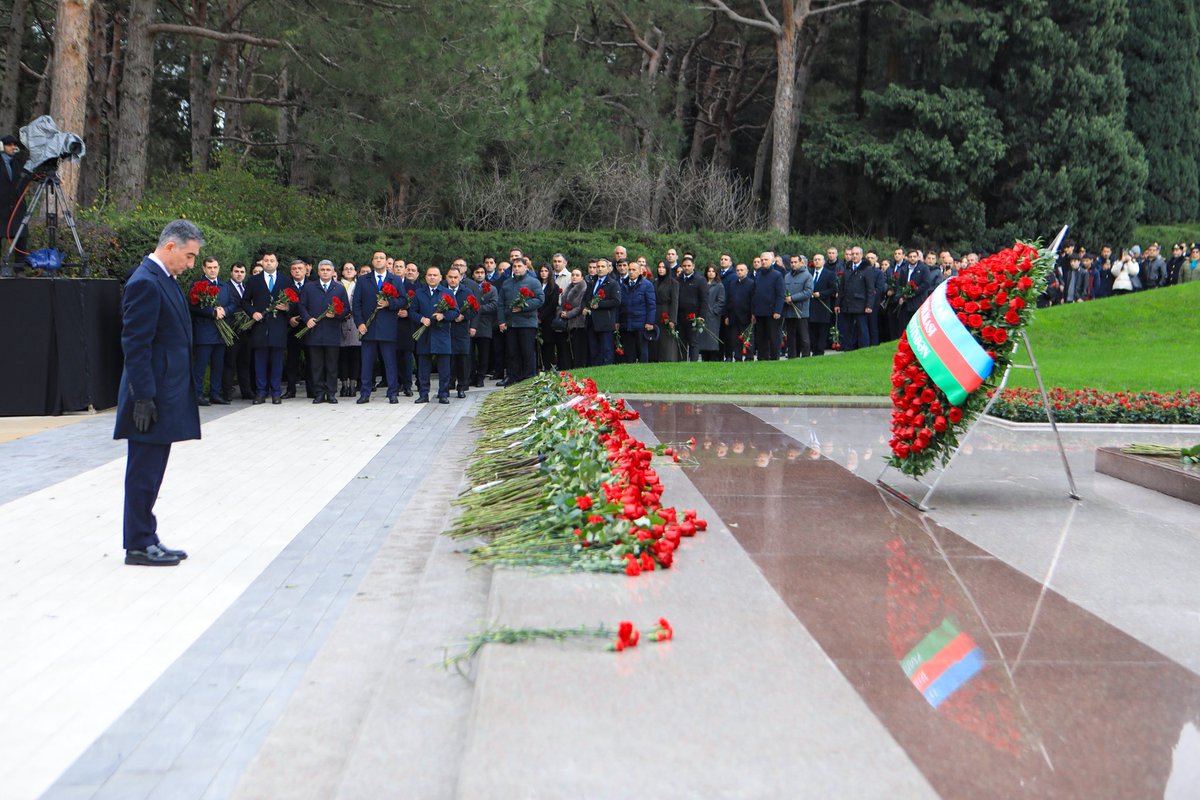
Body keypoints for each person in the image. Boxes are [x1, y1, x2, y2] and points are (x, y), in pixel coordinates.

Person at [113, 220, 204, 566]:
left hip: (162, 393)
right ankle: (137, 543)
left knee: (152, 471)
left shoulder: (163, 279)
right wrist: (144, 397)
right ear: (170, 247)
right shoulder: (145, 283)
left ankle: (147, 535)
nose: (191, 264)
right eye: (190, 256)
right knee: (143, 471)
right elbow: (136, 346)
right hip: (149, 398)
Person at [353, 251, 405, 404]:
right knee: (367, 363)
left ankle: (392, 393)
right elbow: (356, 304)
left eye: (381, 258)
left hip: (388, 328)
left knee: (390, 362)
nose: (378, 260)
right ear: (372, 261)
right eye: (376, 258)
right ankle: (365, 393)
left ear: (386, 261)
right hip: (368, 328)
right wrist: (360, 323)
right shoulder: (363, 280)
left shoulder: (395, 279)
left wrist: (390, 304)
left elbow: (403, 300)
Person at [298, 259, 350, 403]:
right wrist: (307, 318)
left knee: (332, 365)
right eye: (323, 270)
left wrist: (336, 315)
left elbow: (346, 308)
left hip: (332, 332)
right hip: (314, 332)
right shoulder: (309, 287)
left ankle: (331, 393)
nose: (325, 272)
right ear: (318, 271)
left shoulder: (338, 288)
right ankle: (319, 393)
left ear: (333, 272)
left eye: (328, 270)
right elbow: (301, 306)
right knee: (316, 365)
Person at [188, 256, 234, 406]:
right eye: (209, 268)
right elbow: (193, 306)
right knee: (200, 366)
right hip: (204, 332)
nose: (213, 270)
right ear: (204, 269)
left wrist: (224, 310)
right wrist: (211, 312)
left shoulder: (225, 286)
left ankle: (215, 393)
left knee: (218, 365)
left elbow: (233, 304)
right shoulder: (197, 285)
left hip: (221, 334)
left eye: (215, 267)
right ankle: (197, 394)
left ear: (219, 268)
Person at [245, 251, 291, 403]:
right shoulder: (253, 280)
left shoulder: (285, 280)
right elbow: (245, 301)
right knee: (260, 361)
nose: (269, 263)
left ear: (277, 263)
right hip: (260, 326)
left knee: (277, 362)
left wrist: (287, 308)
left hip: (278, 327)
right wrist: (253, 313)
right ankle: (261, 392)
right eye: (266, 260)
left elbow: (295, 301)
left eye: (272, 260)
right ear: (262, 263)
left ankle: (276, 392)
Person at [411, 265, 459, 403]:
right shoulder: (419, 293)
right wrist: (421, 319)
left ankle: (443, 393)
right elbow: (412, 312)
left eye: (435, 275)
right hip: (425, 334)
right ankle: (423, 394)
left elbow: (455, 312)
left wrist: (443, 316)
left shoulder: (447, 293)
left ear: (440, 277)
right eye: (429, 275)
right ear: (425, 277)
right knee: (423, 367)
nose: (432, 277)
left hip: (441, 334)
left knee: (444, 367)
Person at [497, 258, 543, 384]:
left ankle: (529, 378)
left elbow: (540, 299)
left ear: (526, 267)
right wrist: (501, 321)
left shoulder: (533, 282)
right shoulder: (507, 283)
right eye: (514, 266)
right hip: (511, 323)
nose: (516, 268)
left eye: (519, 266)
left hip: (527, 323)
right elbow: (500, 304)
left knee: (527, 351)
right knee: (512, 352)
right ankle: (513, 377)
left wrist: (523, 306)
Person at [222, 262, 255, 400]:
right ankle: (227, 393)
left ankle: (246, 391)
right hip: (232, 330)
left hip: (246, 332)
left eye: (242, 272)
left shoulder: (247, 287)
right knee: (230, 362)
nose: (239, 274)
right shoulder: (225, 287)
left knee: (245, 362)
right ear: (231, 272)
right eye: (236, 271)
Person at [584, 258, 622, 366]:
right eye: (598, 267)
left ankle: (607, 369)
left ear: (608, 268)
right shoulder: (592, 282)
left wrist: (599, 305)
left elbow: (616, 301)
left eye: (602, 267)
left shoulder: (613, 283)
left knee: (606, 349)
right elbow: (587, 298)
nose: (600, 269)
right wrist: (586, 307)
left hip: (605, 321)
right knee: (594, 349)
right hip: (592, 321)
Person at [619, 260, 656, 363]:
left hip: (641, 324)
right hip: (626, 323)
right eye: (629, 269)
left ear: (640, 271)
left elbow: (651, 305)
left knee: (642, 351)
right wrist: (618, 321)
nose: (631, 272)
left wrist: (650, 322)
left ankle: (644, 373)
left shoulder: (647, 285)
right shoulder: (623, 285)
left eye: (633, 270)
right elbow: (620, 305)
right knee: (629, 352)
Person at [445, 265, 474, 397]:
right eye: (450, 277)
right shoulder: (442, 291)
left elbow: (474, 309)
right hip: (446, 330)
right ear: (446, 278)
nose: (452, 280)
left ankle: (461, 386)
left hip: (461, 331)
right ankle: (446, 385)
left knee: (462, 359)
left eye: (455, 277)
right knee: (447, 359)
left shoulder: (467, 291)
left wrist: (464, 316)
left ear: (460, 278)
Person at [750, 255, 784, 360]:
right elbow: (755, 294)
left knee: (773, 336)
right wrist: (753, 312)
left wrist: (777, 310)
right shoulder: (759, 275)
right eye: (762, 260)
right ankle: (762, 357)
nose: (763, 262)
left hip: (772, 311)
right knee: (761, 337)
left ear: (772, 261)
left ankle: (774, 357)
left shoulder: (777, 275)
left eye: (766, 260)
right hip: (760, 311)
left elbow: (780, 294)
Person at [0, 133, 28, 259]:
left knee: (21, 236)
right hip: (1, 206)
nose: (12, 147)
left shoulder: (19, 162)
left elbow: (30, 175)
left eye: (14, 145)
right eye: (9, 144)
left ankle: (19, 269)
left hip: (17, 206)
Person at [676, 257, 709, 362]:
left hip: (694, 318)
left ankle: (693, 364)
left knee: (693, 343)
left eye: (689, 266)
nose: (686, 268)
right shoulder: (677, 280)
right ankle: (682, 363)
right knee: (681, 342)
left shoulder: (700, 280)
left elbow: (704, 300)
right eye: (684, 266)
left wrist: (702, 316)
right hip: (680, 317)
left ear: (693, 266)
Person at [337, 262, 362, 397]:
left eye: (351, 269)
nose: (348, 271)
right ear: (341, 271)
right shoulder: (336, 285)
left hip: (356, 323)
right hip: (340, 323)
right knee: (342, 357)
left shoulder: (359, 285)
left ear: (355, 272)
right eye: (346, 269)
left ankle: (353, 385)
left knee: (355, 356)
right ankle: (344, 385)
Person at [783, 255, 813, 358]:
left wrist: (793, 298)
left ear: (801, 263)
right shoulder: (787, 276)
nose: (793, 264)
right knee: (791, 336)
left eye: (795, 262)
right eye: (791, 262)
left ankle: (805, 356)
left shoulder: (807, 275)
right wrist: (785, 297)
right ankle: (792, 356)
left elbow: (808, 292)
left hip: (801, 311)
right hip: (789, 311)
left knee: (803, 336)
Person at [808, 254, 838, 356]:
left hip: (823, 307)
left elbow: (833, 289)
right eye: (815, 259)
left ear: (823, 262)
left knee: (822, 331)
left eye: (819, 260)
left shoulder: (829, 274)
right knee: (812, 331)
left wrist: (821, 294)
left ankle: (820, 352)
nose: (817, 261)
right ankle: (814, 350)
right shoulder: (809, 273)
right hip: (811, 307)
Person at [559, 267, 588, 369]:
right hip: (568, 322)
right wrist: (562, 312)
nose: (574, 277)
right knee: (569, 347)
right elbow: (562, 303)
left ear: (582, 277)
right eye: (573, 275)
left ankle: (579, 366)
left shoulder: (584, 288)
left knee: (579, 347)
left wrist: (569, 314)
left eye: (577, 275)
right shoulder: (569, 287)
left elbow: (581, 306)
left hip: (579, 322)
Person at [724, 263, 753, 362]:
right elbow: (729, 300)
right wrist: (727, 315)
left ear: (746, 271)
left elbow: (753, 300)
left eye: (741, 270)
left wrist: (753, 314)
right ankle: (737, 357)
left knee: (747, 338)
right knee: (735, 339)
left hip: (746, 316)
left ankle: (749, 357)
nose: (739, 272)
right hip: (733, 316)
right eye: (738, 270)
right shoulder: (732, 284)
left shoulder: (751, 283)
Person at [652, 262, 680, 362]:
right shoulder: (655, 282)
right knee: (656, 337)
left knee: (666, 339)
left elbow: (675, 302)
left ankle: (668, 359)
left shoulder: (673, 283)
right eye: (659, 267)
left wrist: (672, 319)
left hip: (666, 312)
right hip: (656, 312)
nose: (661, 269)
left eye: (663, 267)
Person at [537, 263, 562, 370]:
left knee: (548, 343)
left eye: (546, 271)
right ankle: (539, 365)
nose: (543, 273)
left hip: (548, 319)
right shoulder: (536, 285)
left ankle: (549, 366)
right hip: (535, 316)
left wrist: (541, 317)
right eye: (542, 271)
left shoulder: (554, 287)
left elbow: (552, 305)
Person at [700, 264, 725, 362]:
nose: (711, 273)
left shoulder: (719, 285)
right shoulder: (702, 284)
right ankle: (704, 358)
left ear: (716, 273)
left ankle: (713, 359)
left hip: (713, 317)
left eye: (713, 271)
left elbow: (721, 301)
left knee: (712, 339)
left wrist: (713, 311)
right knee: (702, 338)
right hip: (702, 315)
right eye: (709, 271)